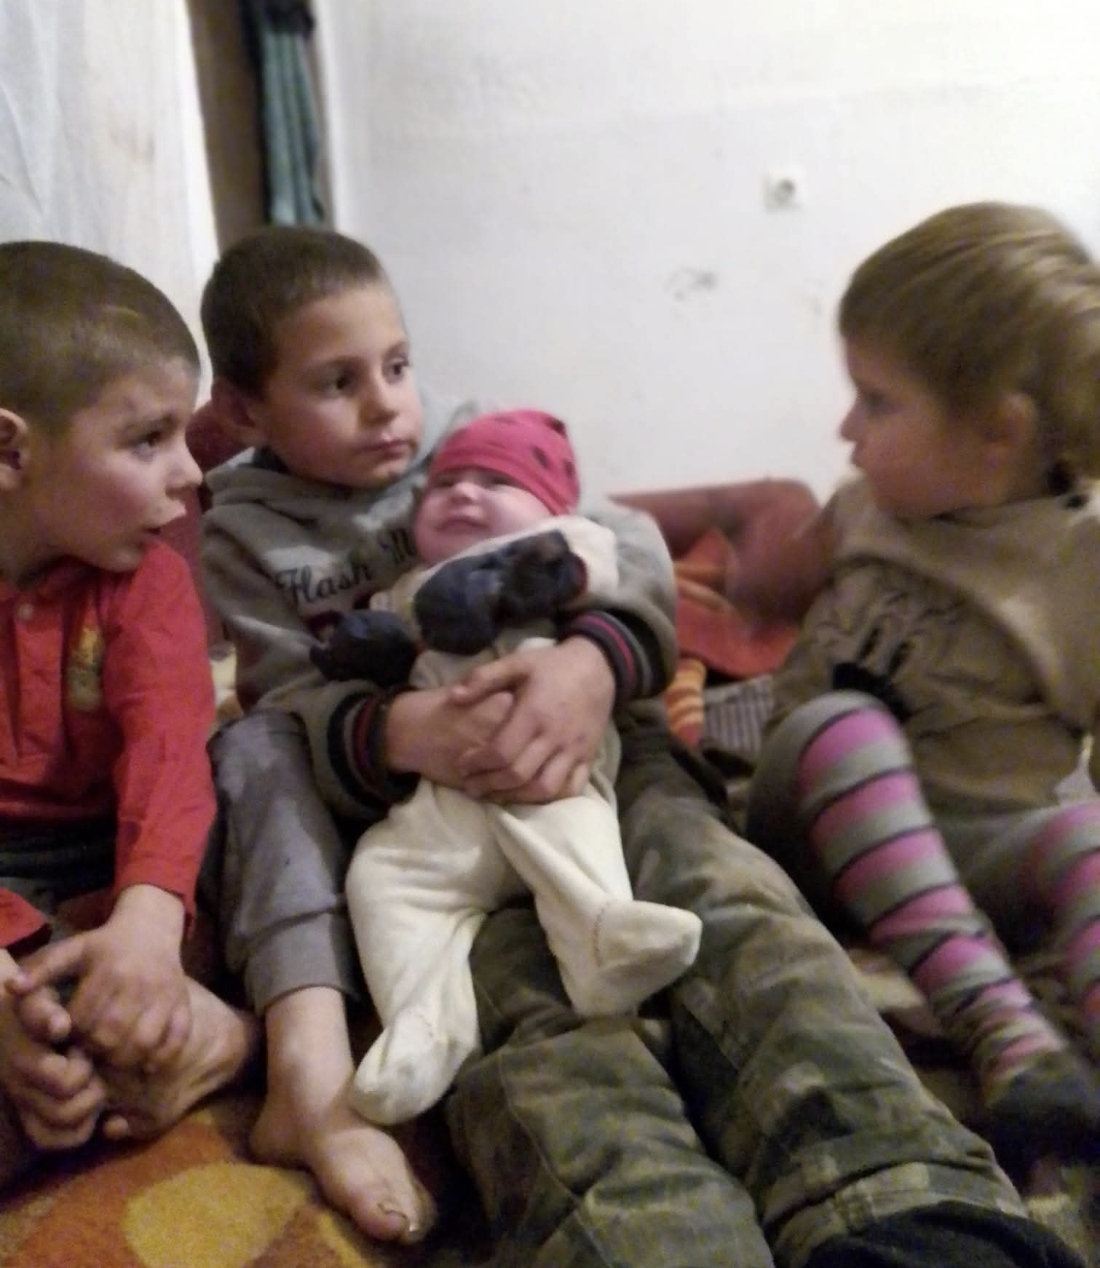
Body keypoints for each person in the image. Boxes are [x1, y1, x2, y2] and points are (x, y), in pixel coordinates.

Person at [200, 222, 1082, 1267]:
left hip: (610, 756)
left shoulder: (472, 437)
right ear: (246, 412)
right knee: (532, 1023)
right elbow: (284, 709)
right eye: (337, 382)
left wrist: (588, 662)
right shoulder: (240, 534)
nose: (388, 404)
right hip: (430, 822)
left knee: (737, 913)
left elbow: (620, 548)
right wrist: (397, 731)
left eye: (396, 365)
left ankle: (905, 1202)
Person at [741, 200, 1100, 1177]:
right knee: (843, 723)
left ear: (997, 433)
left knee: (1084, 834)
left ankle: (1070, 1059)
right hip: (808, 829)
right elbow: (770, 587)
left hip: (974, 853)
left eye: (875, 401)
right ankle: (995, 1024)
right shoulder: (865, 507)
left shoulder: (1080, 565)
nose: (844, 429)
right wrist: (761, 569)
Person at [314, 408, 702, 1125]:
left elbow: (598, 571)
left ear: (552, 505)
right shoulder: (405, 587)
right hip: (441, 805)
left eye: (495, 482)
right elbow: (383, 654)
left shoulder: (567, 540)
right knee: (380, 876)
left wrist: (512, 583)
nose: (463, 493)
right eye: (445, 484)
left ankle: (599, 939)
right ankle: (425, 1023)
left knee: (574, 823)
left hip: (545, 765)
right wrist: (363, 645)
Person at [0, 240, 260, 1193]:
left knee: (265, 799)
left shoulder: (148, 583)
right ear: (10, 451)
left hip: (129, 867)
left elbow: (170, 758)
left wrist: (148, 925)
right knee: (57, 1055)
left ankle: (239, 1039)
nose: (189, 472)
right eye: (148, 440)